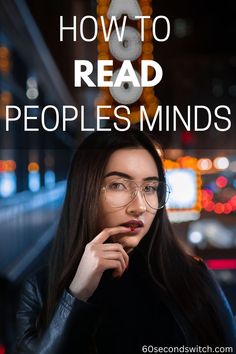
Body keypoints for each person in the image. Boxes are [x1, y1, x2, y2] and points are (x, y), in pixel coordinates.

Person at [15, 129, 236, 354]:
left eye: (149, 188)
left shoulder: (192, 276)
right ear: (85, 191)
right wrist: (76, 295)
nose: (139, 206)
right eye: (118, 185)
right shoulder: (40, 289)